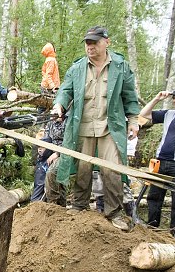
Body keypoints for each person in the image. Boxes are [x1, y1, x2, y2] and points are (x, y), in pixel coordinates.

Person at [51, 26, 140, 231]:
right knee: (83, 168)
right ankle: (79, 206)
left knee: (112, 170)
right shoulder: (78, 68)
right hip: (82, 126)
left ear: (106, 42)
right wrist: (59, 105)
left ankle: (114, 213)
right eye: (87, 43)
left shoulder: (121, 66)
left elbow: (129, 97)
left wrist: (133, 121)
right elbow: (65, 90)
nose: (90, 46)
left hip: (111, 127)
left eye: (94, 42)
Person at [139, 87, 175, 238]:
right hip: (160, 162)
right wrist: (157, 99)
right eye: (174, 97)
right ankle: (152, 230)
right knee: (154, 197)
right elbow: (143, 115)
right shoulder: (169, 114)